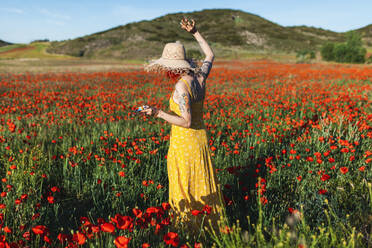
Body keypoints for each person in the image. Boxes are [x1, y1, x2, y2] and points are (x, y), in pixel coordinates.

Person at [141, 18, 225, 235]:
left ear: (172, 68)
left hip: (185, 142)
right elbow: (210, 55)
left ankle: (188, 230)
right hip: (201, 140)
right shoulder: (199, 77)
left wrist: (158, 113)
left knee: (185, 183)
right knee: (200, 181)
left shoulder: (181, 87)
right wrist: (195, 31)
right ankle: (208, 228)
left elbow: (186, 122)